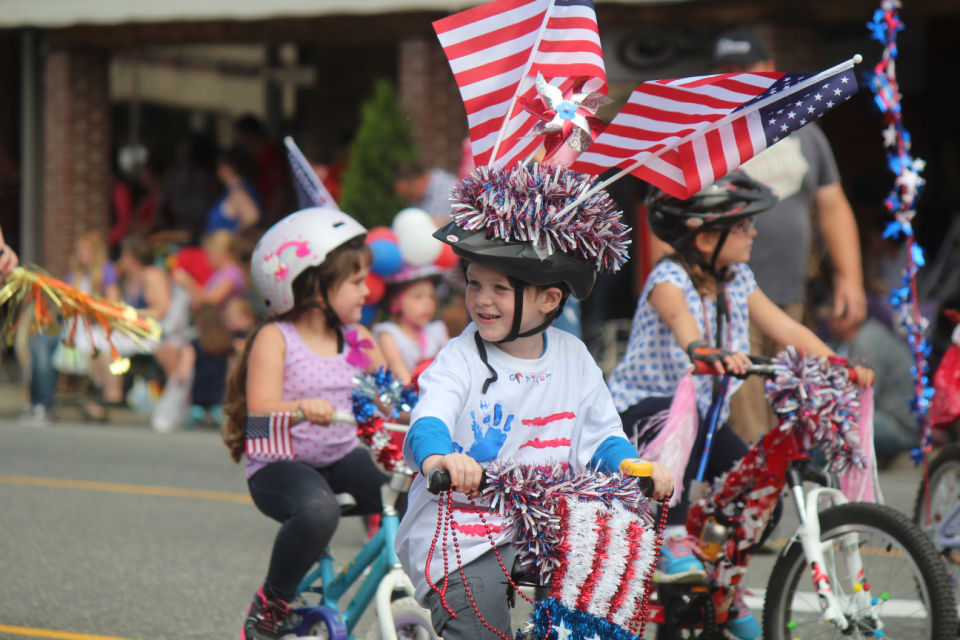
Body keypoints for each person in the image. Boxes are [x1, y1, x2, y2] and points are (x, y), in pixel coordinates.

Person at [394, 162, 673, 640]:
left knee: (596, 602)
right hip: (464, 534)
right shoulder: (460, 357)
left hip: (546, 526)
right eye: (475, 283)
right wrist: (439, 456)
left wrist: (632, 465)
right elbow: (429, 419)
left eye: (500, 288)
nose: (482, 299)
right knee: (482, 625)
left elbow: (601, 434)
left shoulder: (573, 357)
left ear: (548, 300)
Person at [607, 172, 874, 640]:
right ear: (706, 236)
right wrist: (700, 350)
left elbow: (785, 330)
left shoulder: (739, 278)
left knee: (755, 482)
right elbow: (678, 317)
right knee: (677, 454)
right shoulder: (667, 277)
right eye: (743, 227)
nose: (754, 235)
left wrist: (839, 364)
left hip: (706, 419)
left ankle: (720, 590)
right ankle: (671, 543)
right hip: (645, 412)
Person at [221, 207, 394, 640]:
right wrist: (301, 408)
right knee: (320, 511)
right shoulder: (276, 338)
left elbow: (393, 395)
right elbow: (260, 404)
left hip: (336, 455)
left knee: (409, 493)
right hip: (278, 464)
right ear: (313, 285)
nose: (366, 291)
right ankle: (273, 602)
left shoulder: (357, 338)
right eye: (355, 281)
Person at [708, 27, 868, 445]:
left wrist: (849, 279)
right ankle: (747, 508)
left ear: (769, 71)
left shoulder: (805, 130)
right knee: (743, 420)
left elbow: (832, 207)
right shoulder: (708, 136)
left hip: (790, 296)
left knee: (791, 413)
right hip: (726, 295)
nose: (735, 77)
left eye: (744, 68)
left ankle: (775, 503)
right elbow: (672, 215)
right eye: (726, 69)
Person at [372, 265, 448, 385]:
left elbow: (449, 363)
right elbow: (399, 371)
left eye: (431, 297)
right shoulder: (389, 334)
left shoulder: (436, 331)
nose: (427, 303)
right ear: (395, 301)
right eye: (418, 297)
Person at [171, 230, 246, 310]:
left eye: (210, 253)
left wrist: (188, 283)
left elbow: (212, 302)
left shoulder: (232, 273)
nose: (207, 258)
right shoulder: (221, 273)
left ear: (222, 253)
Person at [206, 145, 263, 235]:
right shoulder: (242, 188)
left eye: (219, 165)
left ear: (228, 168)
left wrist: (235, 236)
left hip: (232, 247)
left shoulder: (238, 191)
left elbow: (252, 216)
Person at [393, 162, 459, 228]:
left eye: (409, 194)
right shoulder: (422, 192)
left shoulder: (446, 188)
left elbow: (436, 227)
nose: (410, 200)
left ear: (418, 180)